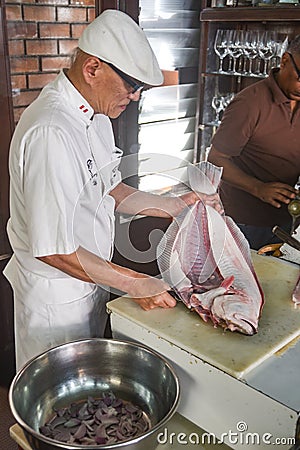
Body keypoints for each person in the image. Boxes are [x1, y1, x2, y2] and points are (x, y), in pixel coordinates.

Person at [4, 9, 221, 370]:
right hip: (56, 296)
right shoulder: (52, 132)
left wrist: (177, 205)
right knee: (60, 405)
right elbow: (54, 251)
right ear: (93, 69)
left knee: (88, 394)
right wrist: (136, 283)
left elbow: (111, 190)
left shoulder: (96, 117)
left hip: (90, 281)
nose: (135, 98)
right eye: (132, 86)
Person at [208, 34, 300, 250]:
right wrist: (258, 188)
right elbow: (215, 158)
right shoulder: (250, 103)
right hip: (243, 221)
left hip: (287, 221)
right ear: (285, 61)